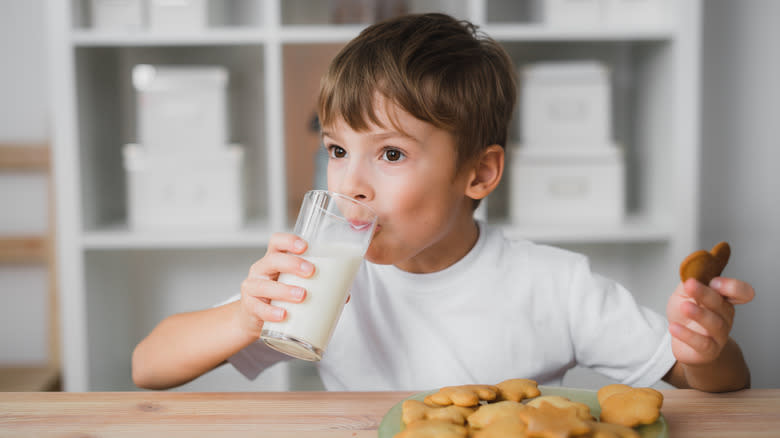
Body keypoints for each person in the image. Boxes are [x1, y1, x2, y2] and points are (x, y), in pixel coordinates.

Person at [132, 13, 754, 392]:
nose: (350, 185)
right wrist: (247, 317)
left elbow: (718, 382)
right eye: (337, 150)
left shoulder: (554, 285)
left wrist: (706, 349)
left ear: (479, 173)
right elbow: (148, 366)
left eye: (392, 154)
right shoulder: (322, 283)